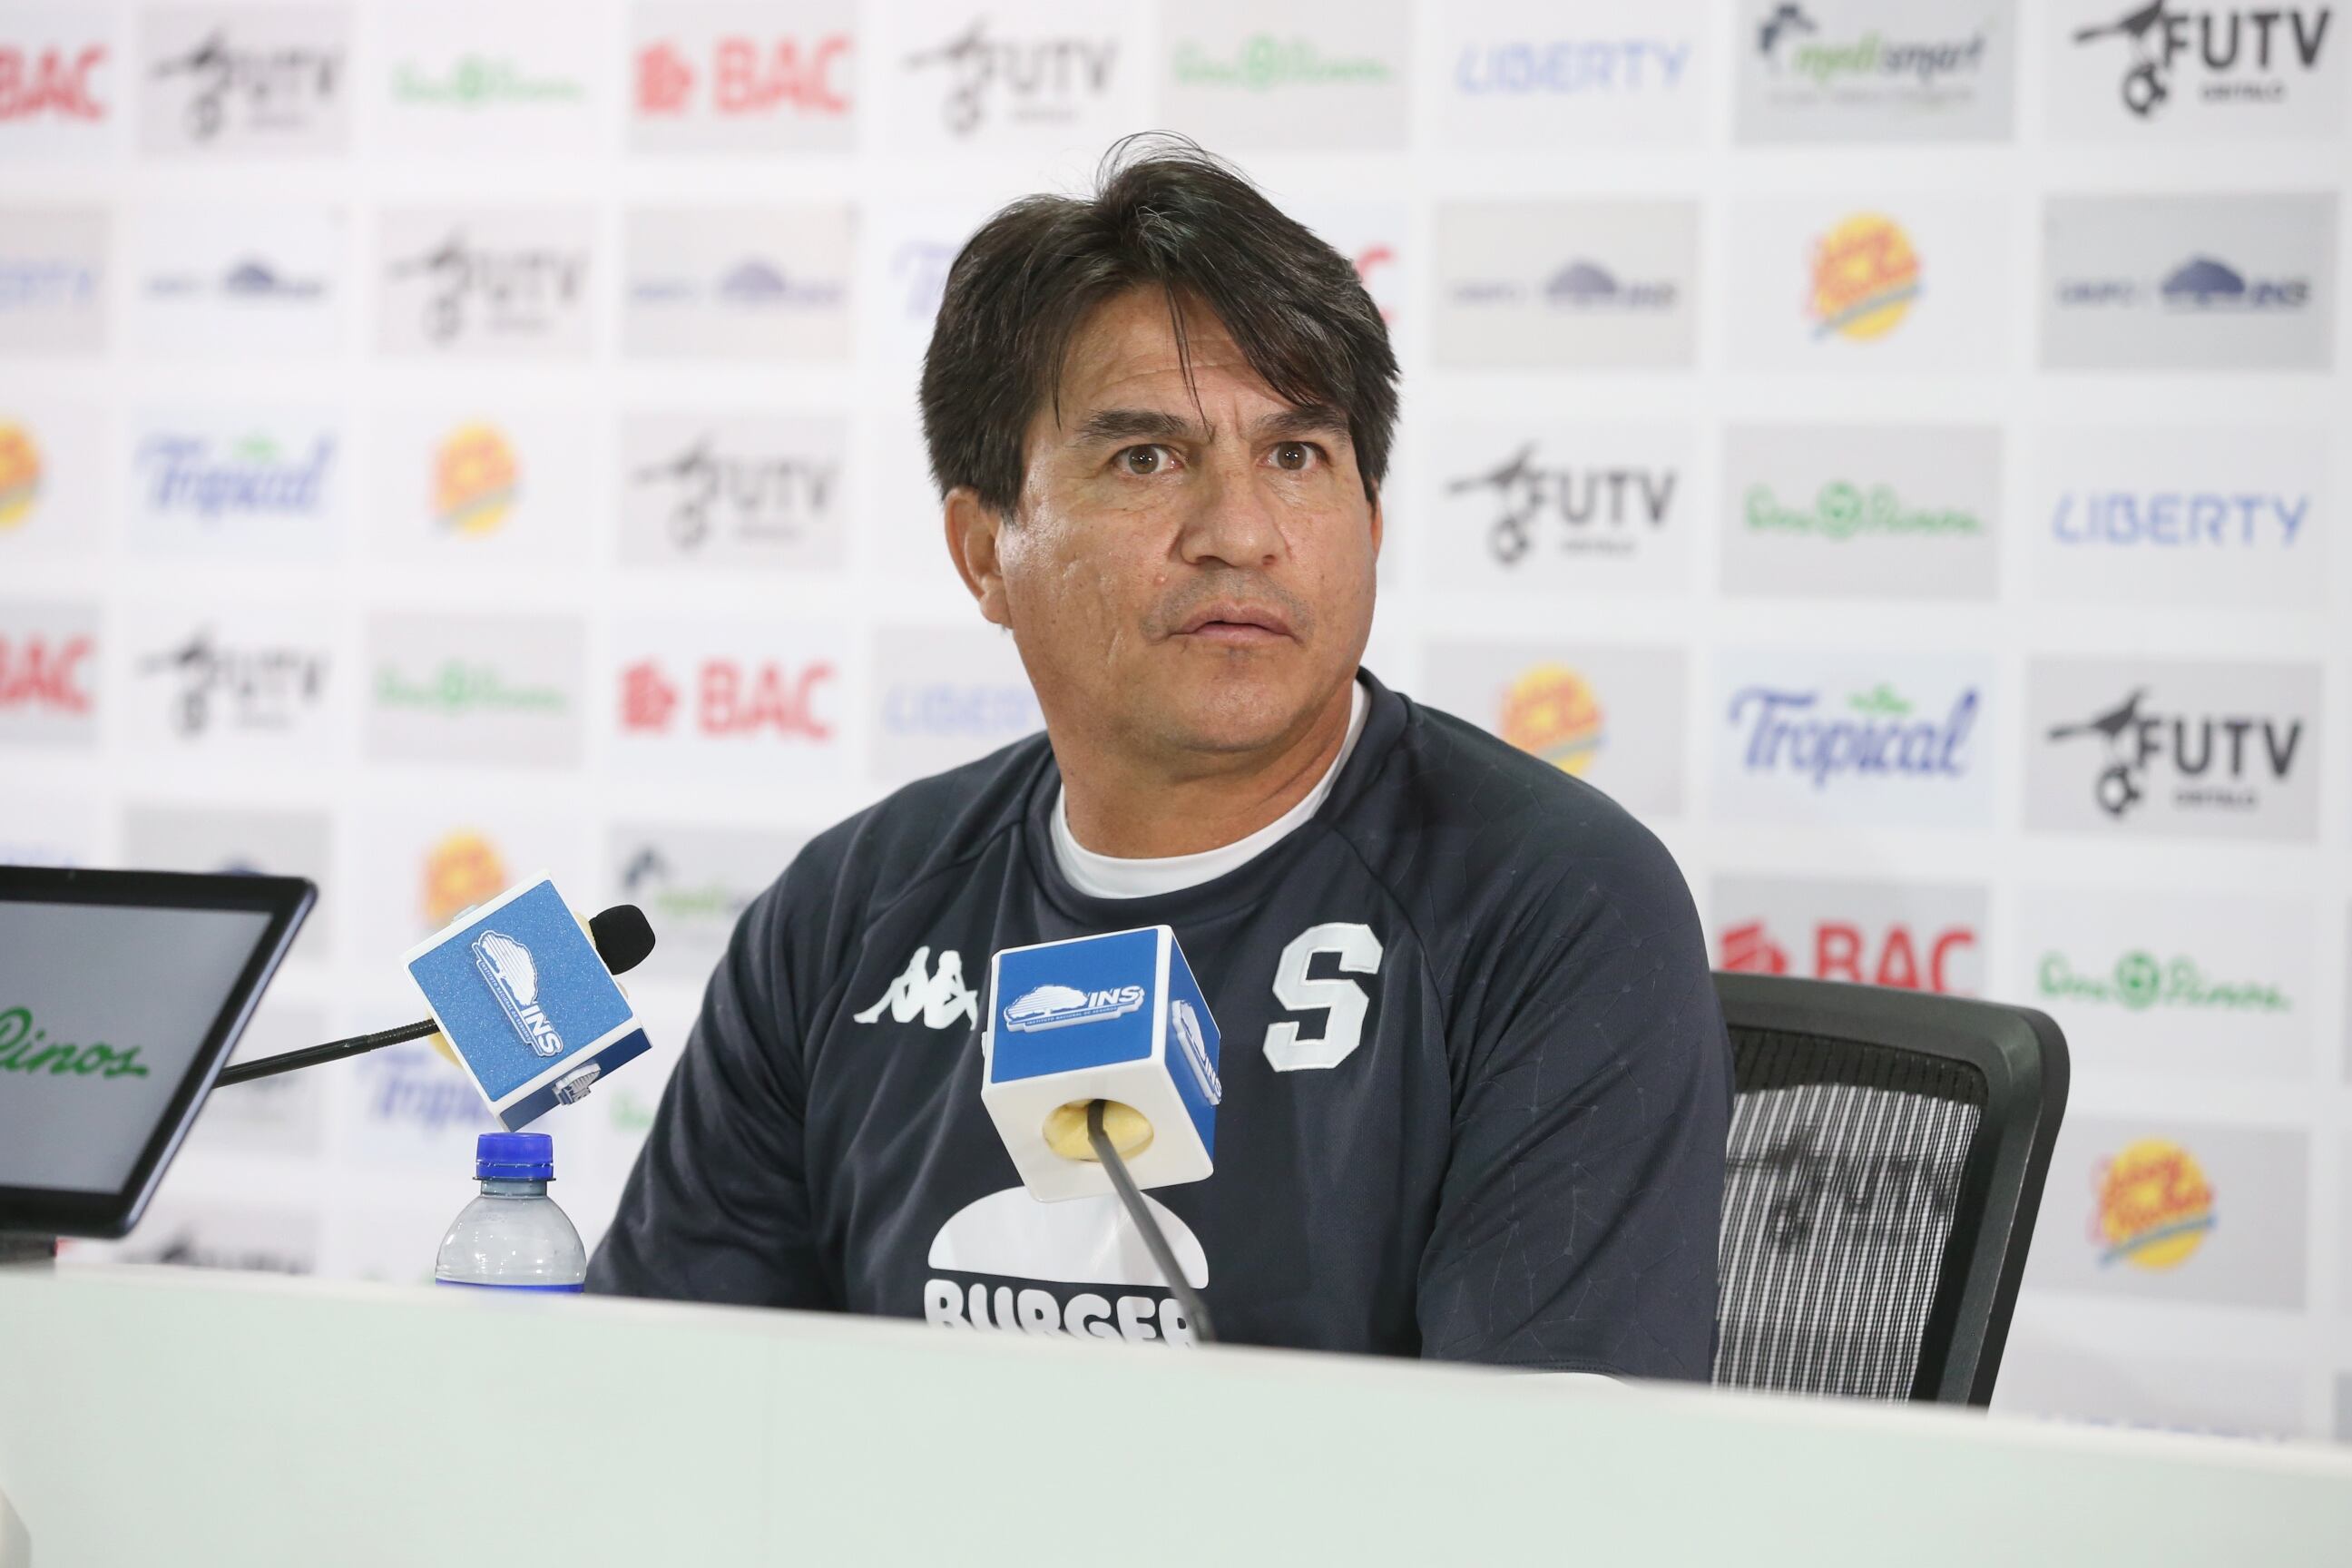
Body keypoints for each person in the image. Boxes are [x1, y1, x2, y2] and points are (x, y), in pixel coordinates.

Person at [588, 137, 1731, 1377]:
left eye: (1295, 456)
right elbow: (653, 1397)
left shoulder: (1554, 906)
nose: (1240, 532)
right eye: (1147, 458)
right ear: (983, 551)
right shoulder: (845, 914)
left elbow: (1546, 1472)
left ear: (1371, 523)